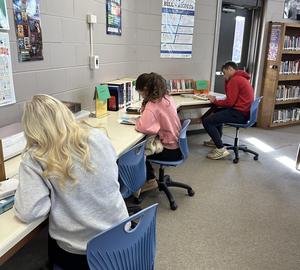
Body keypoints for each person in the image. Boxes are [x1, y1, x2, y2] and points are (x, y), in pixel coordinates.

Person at [14, 95, 129, 270]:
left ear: (31, 128)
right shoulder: (97, 135)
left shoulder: (35, 156)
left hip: (84, 253)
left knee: (51, 242)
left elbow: (29, 212)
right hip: (122, 236)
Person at [135, 72, 182, 191]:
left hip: (169, 150)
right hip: (177, 146)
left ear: (145, 90)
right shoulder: (167, 98)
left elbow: (144, 127)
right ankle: (149, 177)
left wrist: (137, 121)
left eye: (139, 92)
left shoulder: (152, 105)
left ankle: (150, 180)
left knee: (136, 151)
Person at [202, 61, 254, 160]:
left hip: (239, 113)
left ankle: (220, 149)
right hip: (244, 112)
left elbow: (229, 102)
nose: (223, 75)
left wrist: (215, 100)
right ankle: (216, 140)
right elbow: (231, 98)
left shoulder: (235, 80)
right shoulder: (241, 78)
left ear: (230, 69)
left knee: (207, 121)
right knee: (217, 113)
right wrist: (227, 80)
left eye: (224, 73)